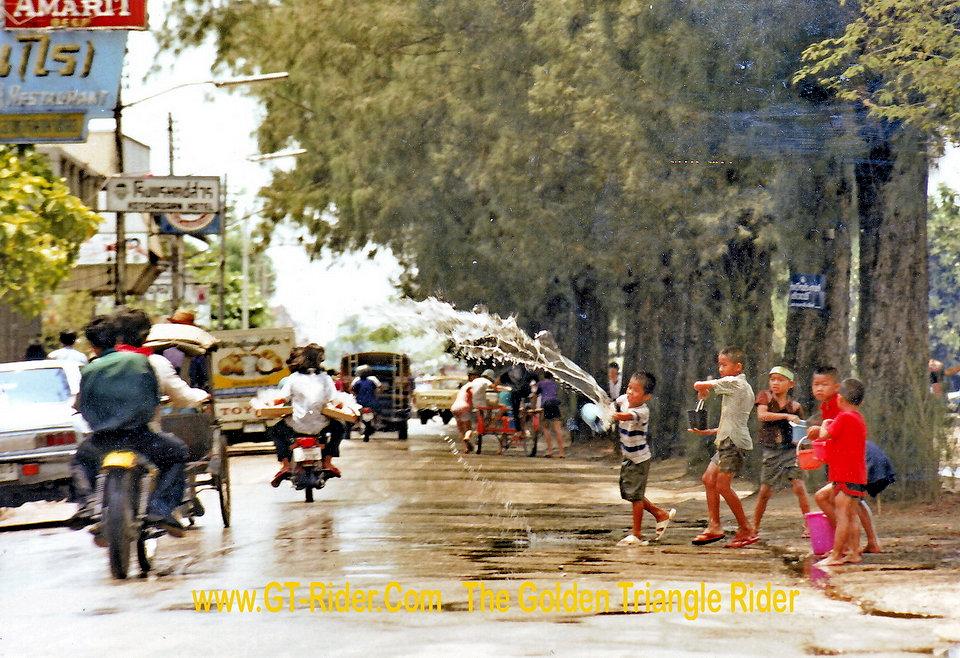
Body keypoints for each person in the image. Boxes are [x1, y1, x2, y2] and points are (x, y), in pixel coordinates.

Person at [72, 314, 188, 539]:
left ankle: (87, 504)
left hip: (102, 440)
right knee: (177, 452)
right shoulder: (139, 361)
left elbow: (82, 406)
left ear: (92, 345)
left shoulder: (90, 369)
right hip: (140, 437)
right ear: (117, 339)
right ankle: (160, 509)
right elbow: (153, 398)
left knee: (80, 460)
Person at [807, 364, 879, 554]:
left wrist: (821, 432)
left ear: (837, 389)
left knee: (848, 506)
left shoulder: (842, 408)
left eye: (825, 384)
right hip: (844, 462)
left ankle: (848, 545)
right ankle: (853, 544)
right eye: (816, 384)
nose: (819, 389)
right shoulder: (828, 406)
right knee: (848, 505)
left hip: (851, 462)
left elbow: (831, 432)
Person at [690, 346, 757, 548]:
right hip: (726, 440)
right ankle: (714, 526)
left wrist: (701, 387)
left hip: (734, 443)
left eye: (724, 364)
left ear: (738, 367)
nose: (720, 368)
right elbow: (730, 421)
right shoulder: (732, 389)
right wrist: (709, 431)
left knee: (722, 485)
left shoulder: (737, 384)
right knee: (708, 479)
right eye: (719, 364)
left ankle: (746, 528)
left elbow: (700, 384)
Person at [112, 308, 210, 431]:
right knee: (178, 448)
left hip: (106, 438)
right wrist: (203, 395)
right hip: (146, 435)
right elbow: (183, 397)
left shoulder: (98, 364)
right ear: (146, 335)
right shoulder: (156, 362)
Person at [613, 372, 676, 546]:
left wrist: (614, 415)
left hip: (639, 459)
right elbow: (615, 403)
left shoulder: (642, 411)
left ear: (647, 397)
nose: (630, 392)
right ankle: (659, 514)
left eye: (636, 390)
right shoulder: (624, 399)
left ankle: (637, 534)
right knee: (632, 493)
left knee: (635, 496)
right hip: (629, 455)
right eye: (629, 387)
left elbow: (627, 416)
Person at [811, 378, 868, 566]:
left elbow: (824, 436)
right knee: (851, 516)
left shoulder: (844, 418)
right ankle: (854, 552)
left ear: (840, 399)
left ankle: (836, 554)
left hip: (845, 474)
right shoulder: (858, 419)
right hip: (856, 475)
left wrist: (825, 424)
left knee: (843, 515)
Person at [269, 343, 342, 487]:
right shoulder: (326, 378)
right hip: (321, 425)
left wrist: (268, 403)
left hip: (296, 424)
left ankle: (285, 465)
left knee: (275, 431)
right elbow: (336, 402)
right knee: (340, 429)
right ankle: (327, 462)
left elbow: (281, 399)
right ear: (319, 361)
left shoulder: (293, 378)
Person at [751, 366, 810, 538]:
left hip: (791, 451)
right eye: (773, 379)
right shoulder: (765, 397)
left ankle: (808, 524)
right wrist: (785, 417)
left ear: (790, 384)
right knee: (765, 491)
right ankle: (754, 526)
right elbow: (762, 416)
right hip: (771, 451)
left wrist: (804, 446)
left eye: (780, 380)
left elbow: (800, 431)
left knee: (799, 486)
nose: (775, 383)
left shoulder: (795, 407)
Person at [536, 371, 565, 458]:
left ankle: (549, 451)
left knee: (545, 428)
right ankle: (561, 452)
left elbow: (535, 395)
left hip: (546, 405)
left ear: (544, 376)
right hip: (555, 405)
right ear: (552, 377)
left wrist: (534, 408)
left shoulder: (540, 384)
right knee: (558, 429)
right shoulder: (554, 384)